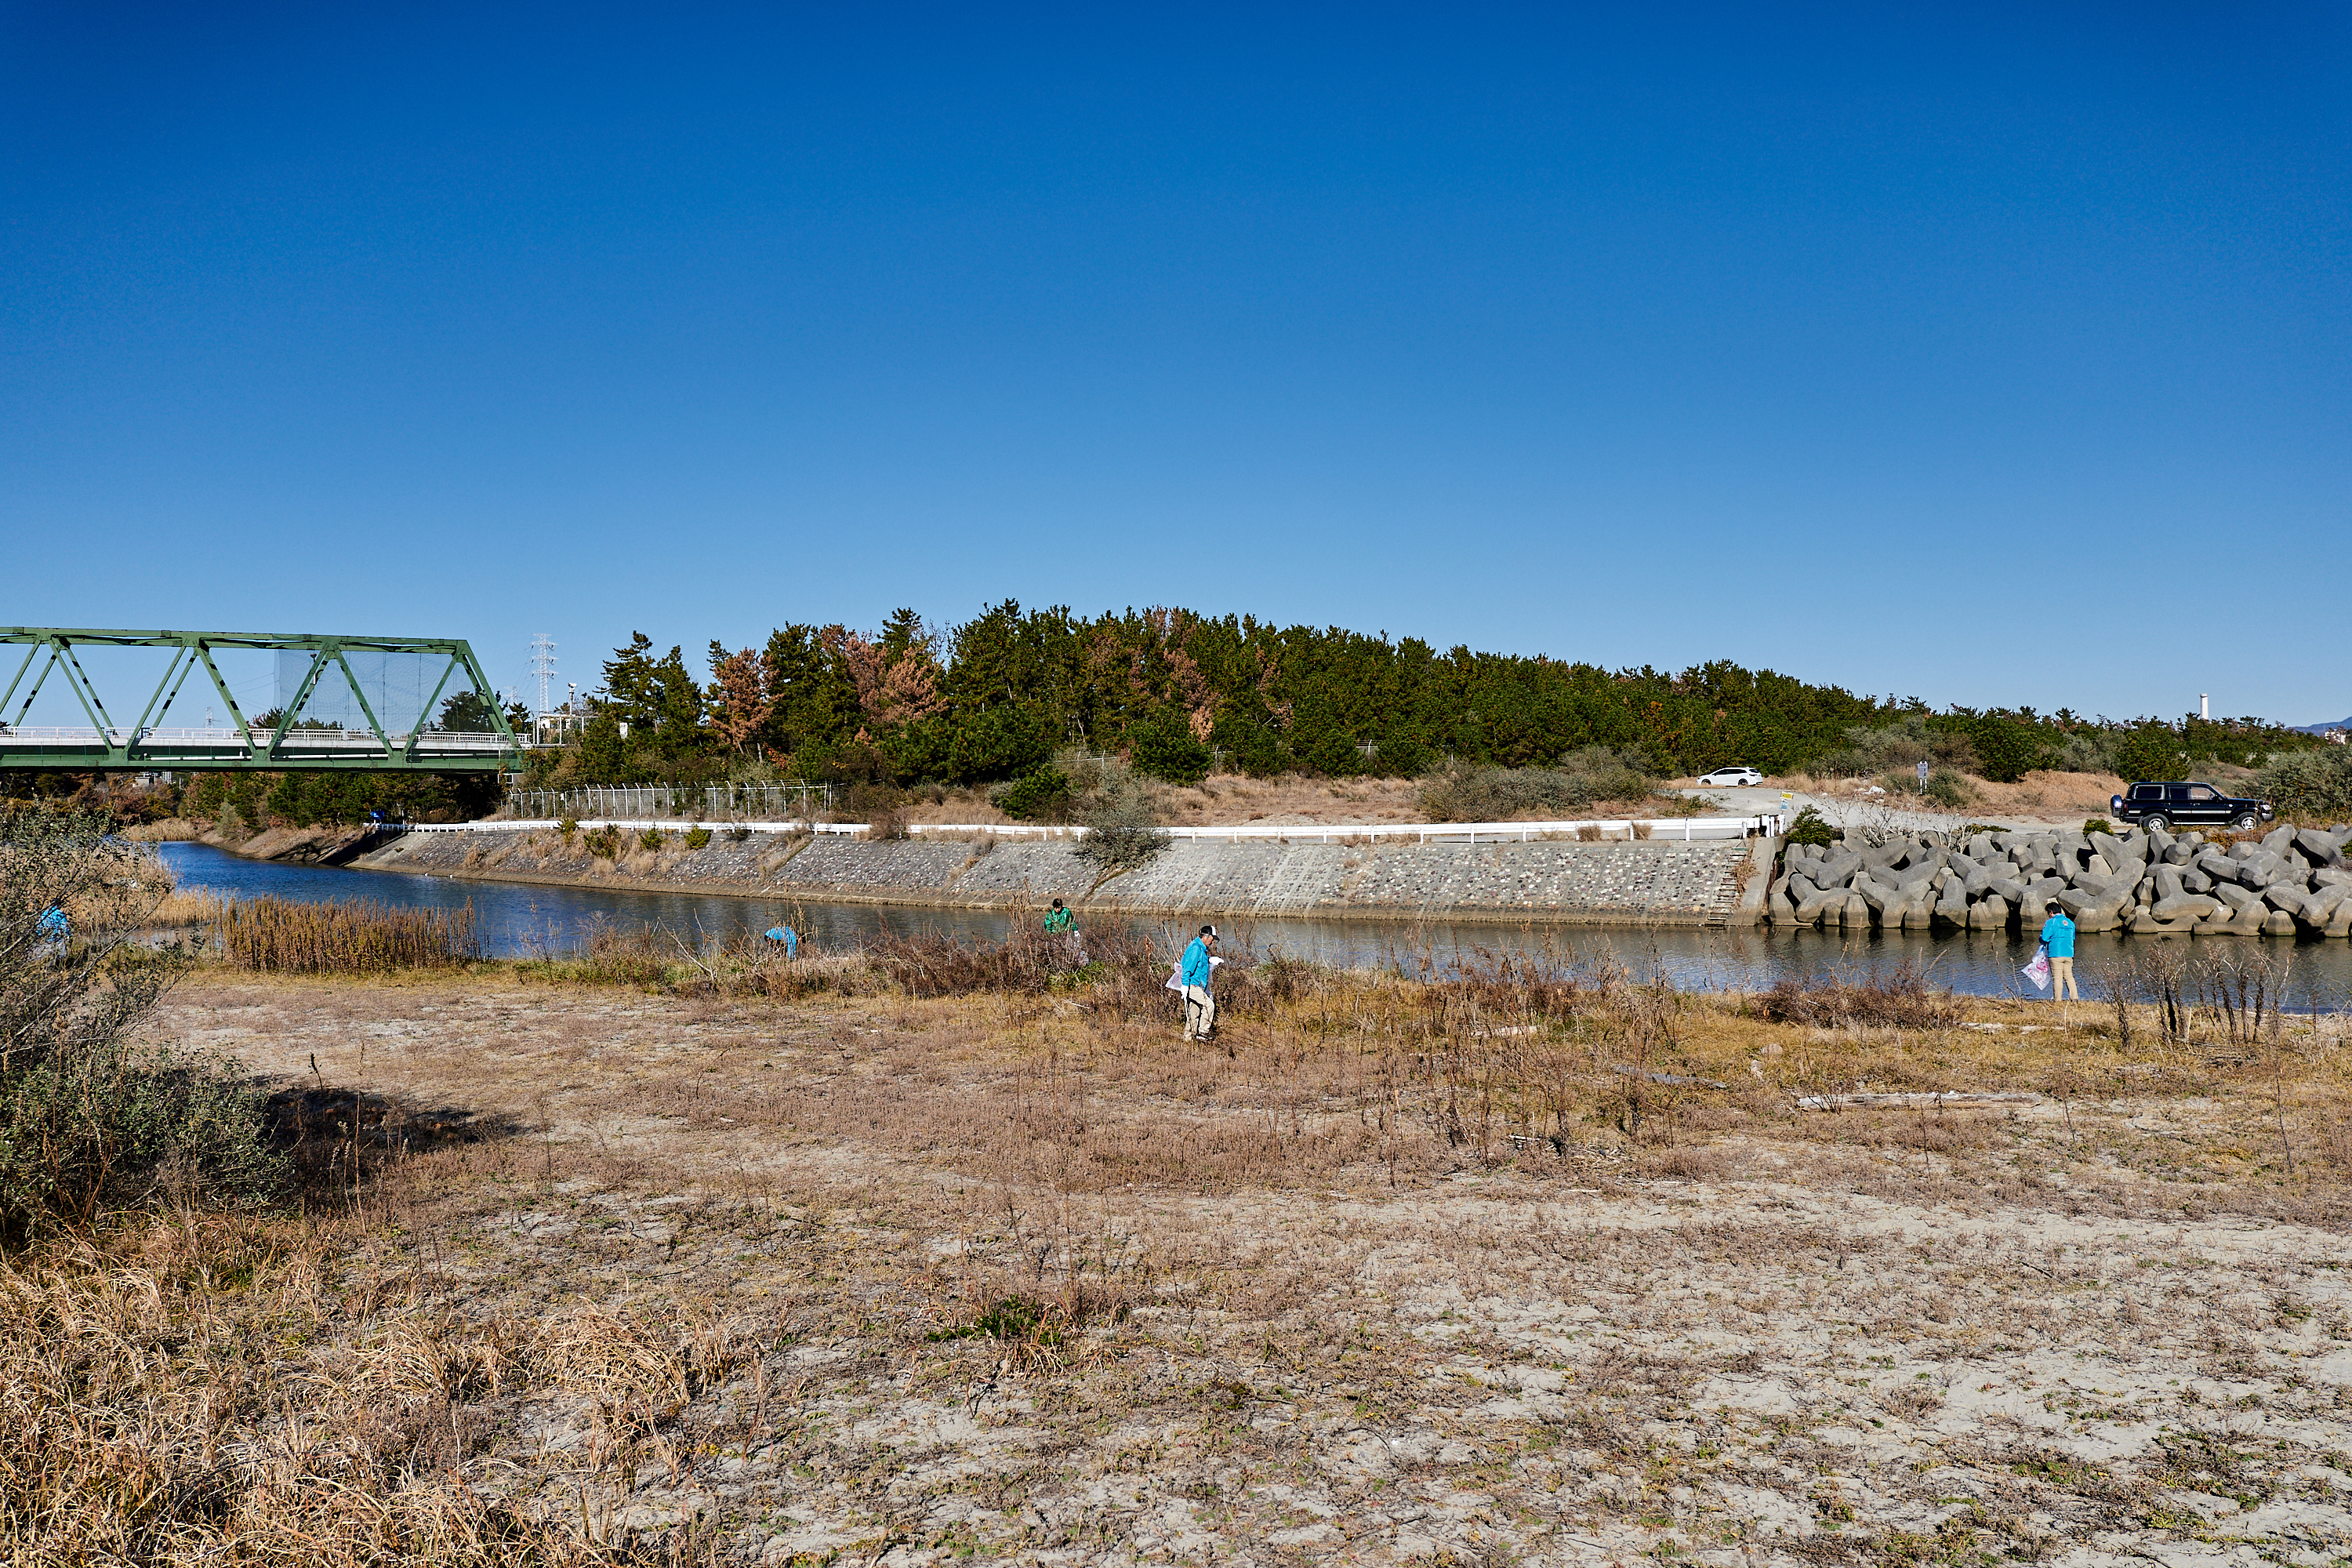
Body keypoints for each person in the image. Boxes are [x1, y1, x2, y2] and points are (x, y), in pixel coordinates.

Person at [1180, 924, 1219, 1040]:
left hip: (1197, 985)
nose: (1212, 942)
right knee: (1209, 1006)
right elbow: (1187, 968)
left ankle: (1187, 1039)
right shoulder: (1196, 948)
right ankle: (1203, 1032)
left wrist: (1210, 961)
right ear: (1206, 936)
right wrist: (1185, 986)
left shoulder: (1201, 949)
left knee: (1194, 1013)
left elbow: (1199, 965)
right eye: (1212, 939)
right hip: (1192, 985)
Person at [2038, 900, 2077, 1004]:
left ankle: (2058, 1000)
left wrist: (2040, 938)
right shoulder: (2071, 923)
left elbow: (2045, 939)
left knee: (2057, 978)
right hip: (2069, 953)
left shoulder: (2051, 922)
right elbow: (2073, 937)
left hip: (2055, 954)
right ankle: (2075, 999)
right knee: (2069, 977)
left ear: (2051, 912)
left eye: (2048, 913)